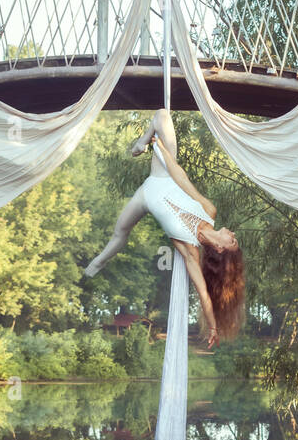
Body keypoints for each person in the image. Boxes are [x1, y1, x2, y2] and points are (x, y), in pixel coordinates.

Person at [84, 108, 245, 347]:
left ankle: (96, 264)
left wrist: (212, 326)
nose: (231, 233)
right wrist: (159, 149)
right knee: (162, 116)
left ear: (221, 249)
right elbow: (182, 179)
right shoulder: (209, 211)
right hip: (161, 176)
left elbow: (204, 295)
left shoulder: (190, 251)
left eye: (232, 240)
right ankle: (142, 143)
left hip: (144, 199)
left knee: (120, 234)